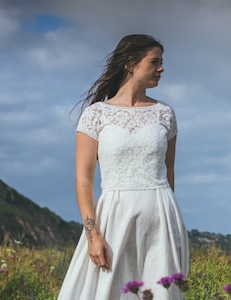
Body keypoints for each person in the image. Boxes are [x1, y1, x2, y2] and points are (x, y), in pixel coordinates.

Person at [58, 34, 189, 300]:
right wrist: (93, 234)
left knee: (160, 293)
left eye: (161, 62)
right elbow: (83, 179)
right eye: (155, 62)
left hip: (161, 218)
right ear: (131, 63)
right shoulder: (96, 114)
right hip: (114, 218)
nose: (161, 69)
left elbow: (169, 171)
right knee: (109, 291)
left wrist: (170, 221)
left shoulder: (165, 113)